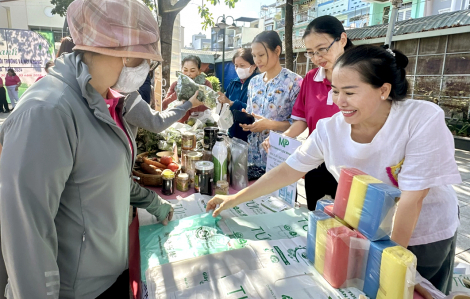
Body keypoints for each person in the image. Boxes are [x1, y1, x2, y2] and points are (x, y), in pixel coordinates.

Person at [207, 45, 461, 294]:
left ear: (384, 90)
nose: (339, 102)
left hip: (423, 234)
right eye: (336, 91)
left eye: (350, 93)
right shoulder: (331, 128)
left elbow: (412, 199)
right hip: (366, 230)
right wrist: (233, 199)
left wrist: (391, 261)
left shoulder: (420, 118)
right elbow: (288, 170)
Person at [0, 0, 201, 298]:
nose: (144, 67)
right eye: (139, 57)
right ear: (109, 46)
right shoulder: (48, 111)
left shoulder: (109, 98)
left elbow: (105, 179)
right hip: (77, 289)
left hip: (112, 272)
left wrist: (156, 205)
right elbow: (26, 234)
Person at [262, 16, 353, 210]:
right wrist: (281, 138)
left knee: (348, 228)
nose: (317, 58)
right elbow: (301, 120)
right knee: (315, 217)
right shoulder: (312, 78)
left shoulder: (359, 77)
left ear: (342, 40)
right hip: (316, 162)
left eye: (322, 49)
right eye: (311, 53)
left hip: (351, 166)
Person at [241, 31, 302, 170]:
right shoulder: (254, 82)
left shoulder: (294, 82)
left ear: (277, 50)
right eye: (254, 56)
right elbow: (252, 112)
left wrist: (270, 124)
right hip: (252, 154)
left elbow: (299, 124)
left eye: (261, 55)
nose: (257, 60)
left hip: (279, 155)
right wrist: (247, 120)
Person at [217, 48, 258, 141]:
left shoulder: (258, 85)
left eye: (242, 65)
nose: (238, 69)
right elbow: (225, 104)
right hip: (232, 133)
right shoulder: (233, 83)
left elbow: (255, 109)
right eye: (236, 66)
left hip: (250, 135)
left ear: (254, 66)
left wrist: (232, 103)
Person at [162, 55, 213, 123]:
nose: (188, 74)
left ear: (199, 71)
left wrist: (193, 102)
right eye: (185, 70)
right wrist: (177, 93)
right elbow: (164, 105)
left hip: (199, 125)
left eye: (192, 71)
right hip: (179, 125)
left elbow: (210, 105)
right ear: (182, 69)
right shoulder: (175, 85)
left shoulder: (205, 84)